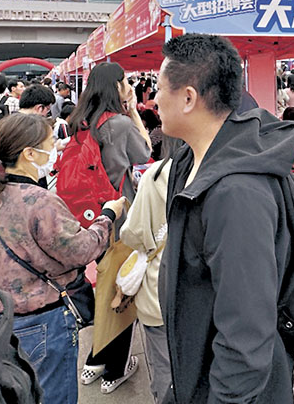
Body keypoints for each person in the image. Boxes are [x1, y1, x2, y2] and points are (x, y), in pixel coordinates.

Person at [156, 33, 294, 403]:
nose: (153, 99)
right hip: (194, 369)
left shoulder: (236, 194)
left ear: (188, 98)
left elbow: (246, 335)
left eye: (159, 89)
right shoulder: (188, 161)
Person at [0, 112, 126, 404]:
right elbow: (81, 250)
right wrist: (108, 216)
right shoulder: (38, 201)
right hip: (41, 323)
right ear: (29, 153)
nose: (55, 151)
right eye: (50, 144)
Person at [69, 62, 151, 393]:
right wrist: (134, 113)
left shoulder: (82, 122)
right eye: (126, 81)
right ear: (116, 87)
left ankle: (94, 360)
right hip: (122, 216)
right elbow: (145, 151)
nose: (130, 84)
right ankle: (113, 369)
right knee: (122, 290)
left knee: (106, 284)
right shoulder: (118, 124)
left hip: (94, 216)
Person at [120, 134, 182, 403]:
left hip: (160, 290)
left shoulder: (156, 176)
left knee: (165, 366)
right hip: (204, 294)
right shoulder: (220, 169)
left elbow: (132, 233)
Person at [0, 84, 56, 202]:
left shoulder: (8, 124)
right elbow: (40, 166)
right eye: (48, 109)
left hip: (1, 186)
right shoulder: (33, 130)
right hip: (24, 188)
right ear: (40, 108)